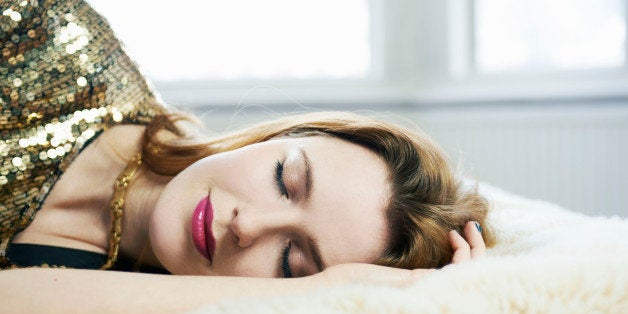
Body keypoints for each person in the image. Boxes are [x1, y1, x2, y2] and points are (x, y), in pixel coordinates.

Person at [0, 0, 493, 311]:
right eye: (284, 179)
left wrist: (320, 295)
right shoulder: (52, 44)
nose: (247, 225)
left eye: (290, 264)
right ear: (275, 137)